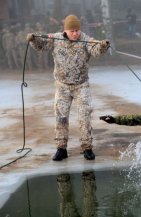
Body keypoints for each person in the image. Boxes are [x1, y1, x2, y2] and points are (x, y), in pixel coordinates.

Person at [26, 14, 110, 161]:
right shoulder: (55, 38)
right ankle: (61, 148)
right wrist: (33, 39)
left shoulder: (85, 39)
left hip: (81, 85)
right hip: (62, 86)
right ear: (65, 30)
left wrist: (103, 46)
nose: (76, 33)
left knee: (84, 117)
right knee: (61, 118)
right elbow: (41, 44)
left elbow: (96, 49)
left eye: (77, 30)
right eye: (72, 31)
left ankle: (87, 148)